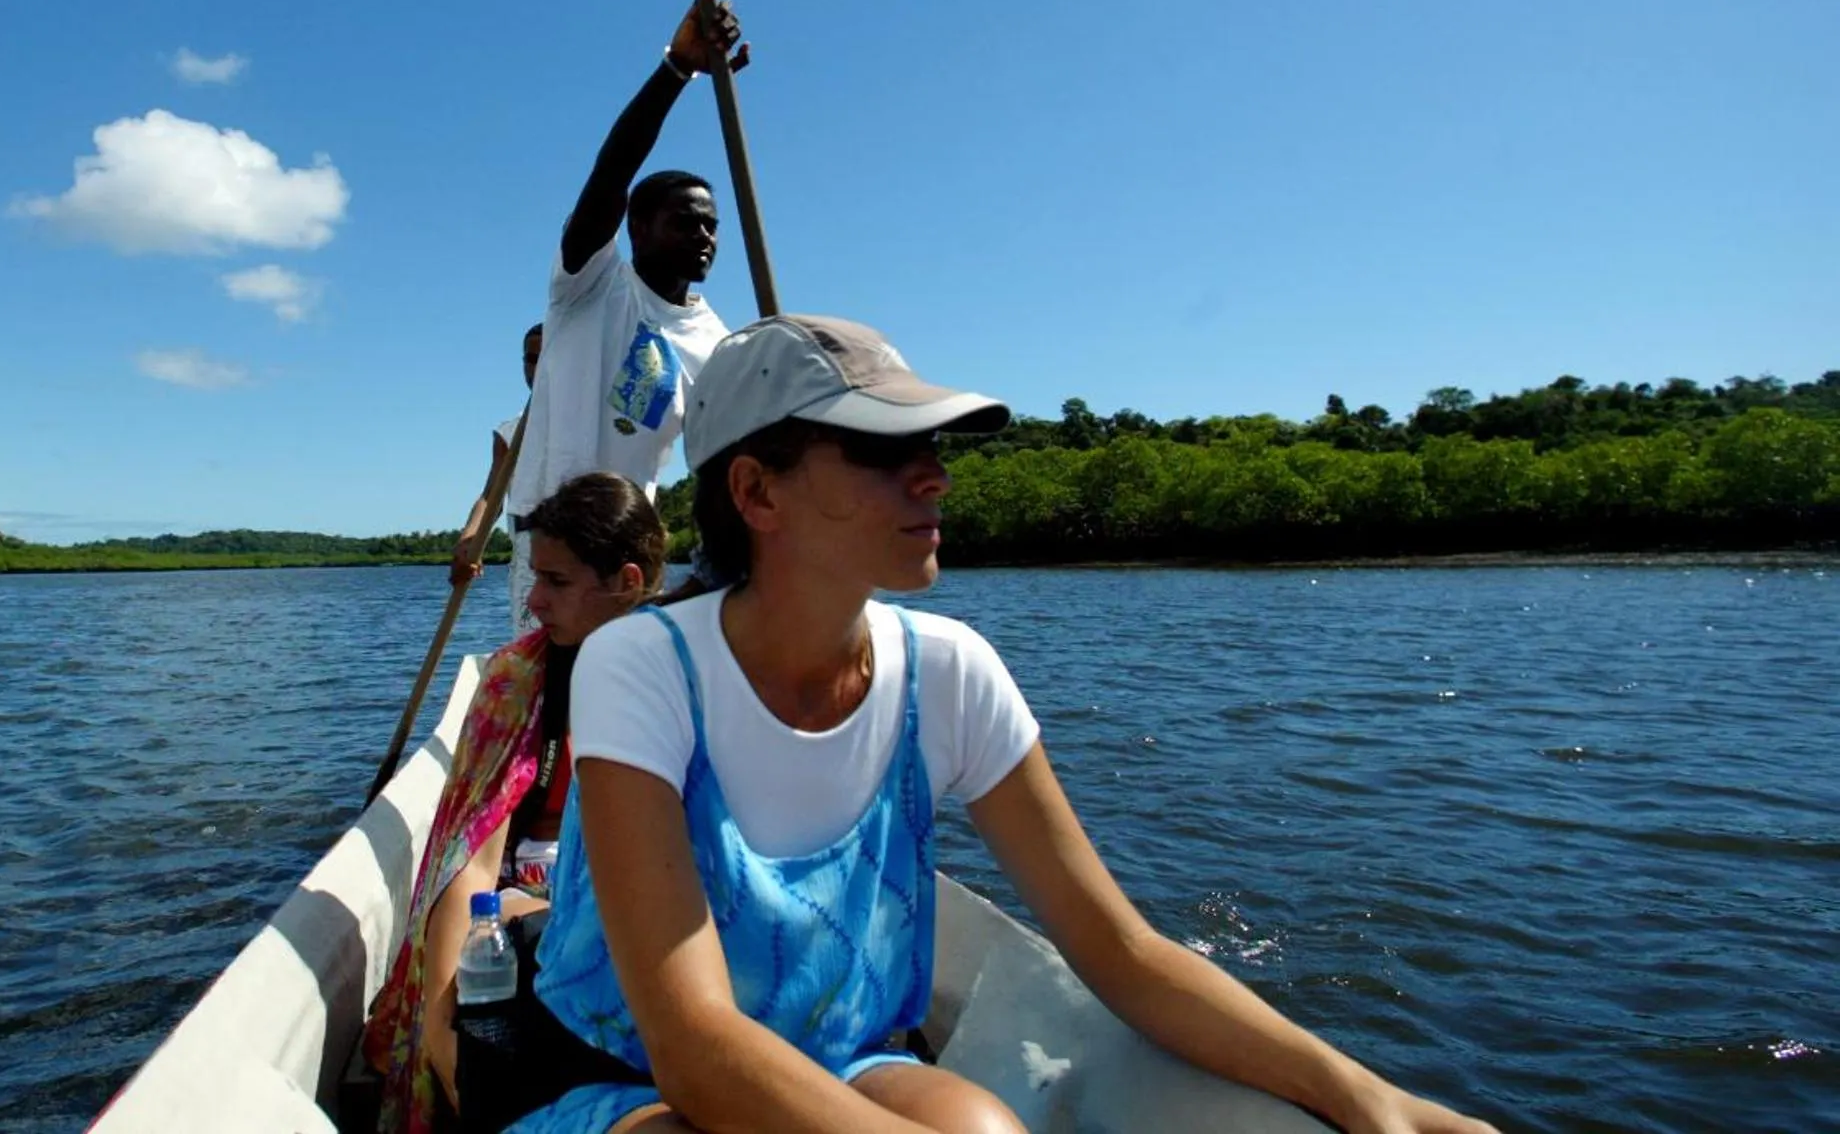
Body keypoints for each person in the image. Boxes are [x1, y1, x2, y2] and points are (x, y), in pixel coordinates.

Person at [514, 315, 1503, 1134]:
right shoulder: (642, 664)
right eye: (881, 448)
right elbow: (694, 1046)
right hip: (631, 1072)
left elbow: (1119, 952)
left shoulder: (949, 672)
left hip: (848, 1061)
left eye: (931, 447)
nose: (934, 476)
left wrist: (1375, 1102)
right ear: (756, 490)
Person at [366, 473, 670, 1134]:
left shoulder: (692, 682)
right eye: (534, 577)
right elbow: (470, 864)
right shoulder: (517, 682)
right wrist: (440, 1027)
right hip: (520, 909)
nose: (533, 601)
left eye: (556, 582)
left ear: (626, 580)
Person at [500, 0, 744, 634]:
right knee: (558, 714)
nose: (705, 238)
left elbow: (720, 467)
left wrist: (712, 572)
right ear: (635, 227)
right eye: (685, 223)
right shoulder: (592, 285)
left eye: (714, 227)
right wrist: (677, 70)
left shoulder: (718, 344)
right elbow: (611, 173)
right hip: (550, 553)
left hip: (633, 558)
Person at [452, 323, 548, 594]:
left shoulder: (591, 424)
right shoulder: (510, 434)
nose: (537, 368)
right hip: (530, 573)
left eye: (547, 358)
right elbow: (491, 498)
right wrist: (470, 536)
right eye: (531, 360)